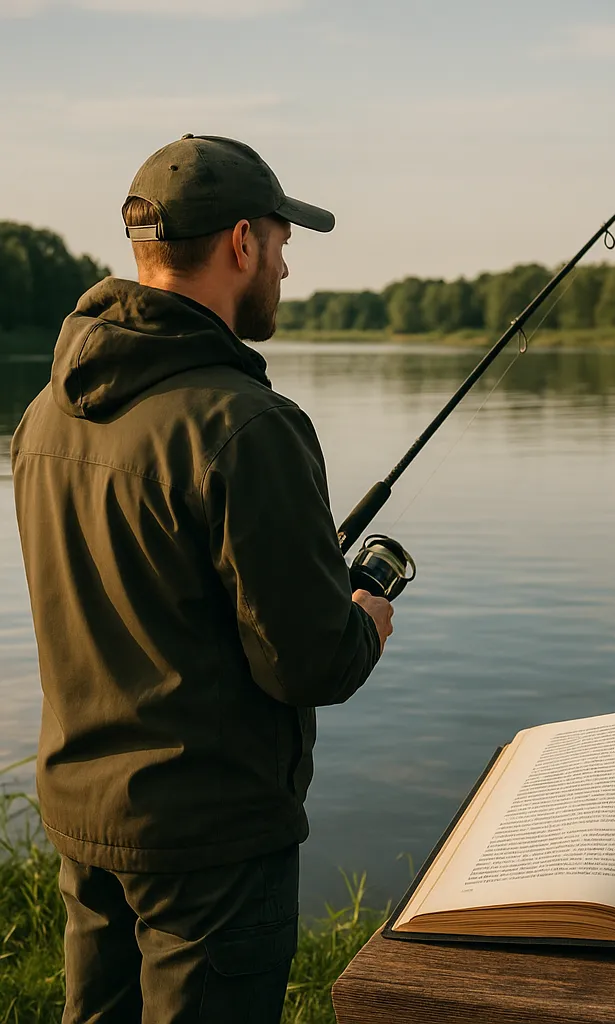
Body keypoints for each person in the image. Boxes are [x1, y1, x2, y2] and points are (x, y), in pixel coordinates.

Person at [10, 134, 394, 1023]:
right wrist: (362, 618)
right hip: (212, 842)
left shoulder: (43, 412)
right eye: (283, 241)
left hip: (85, 816)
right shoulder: (246, 426)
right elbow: (306, 665)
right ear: (242, 244)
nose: (288, 266)